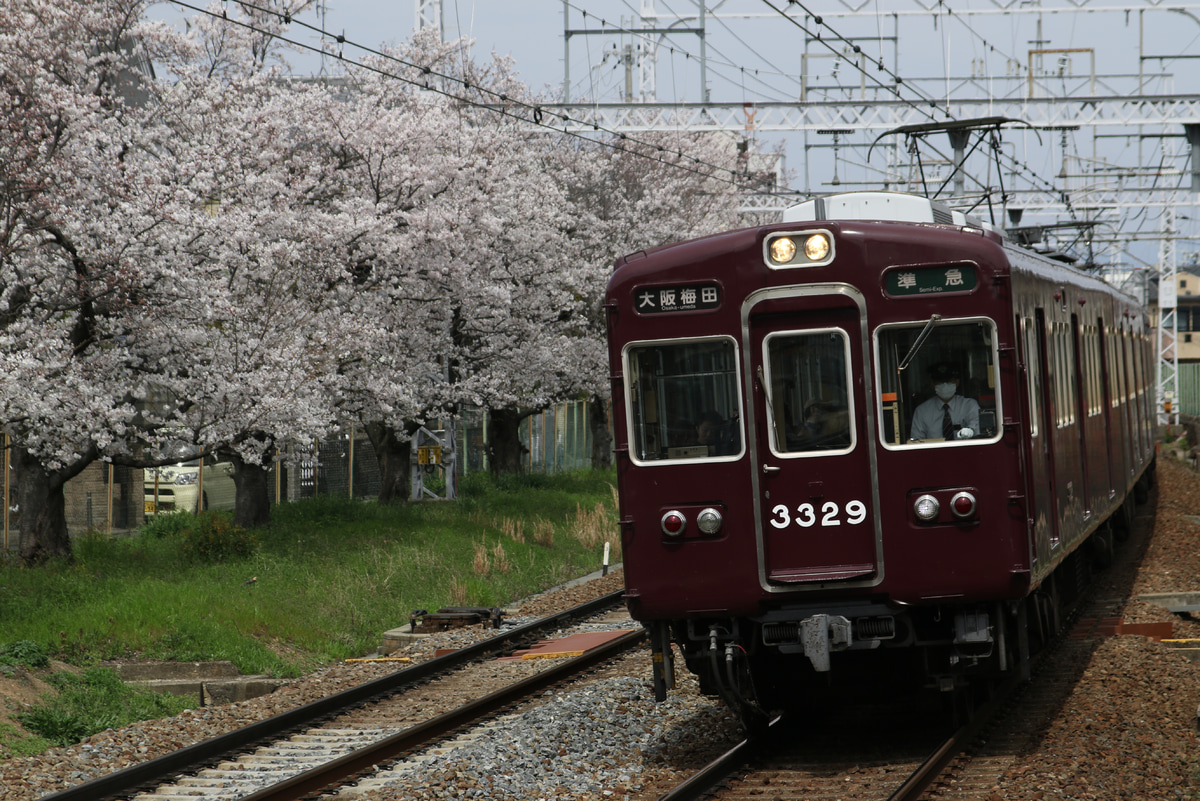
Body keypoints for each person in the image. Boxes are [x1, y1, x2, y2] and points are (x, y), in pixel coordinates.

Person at [909, 362, 980, 441]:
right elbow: (916, 441)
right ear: (932, 384)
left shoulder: (969, 405)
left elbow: (977, 427)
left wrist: (971, 430)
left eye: (950, 381)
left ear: (957, 382)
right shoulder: (922, 411)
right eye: (940, 382)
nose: (945, 385)